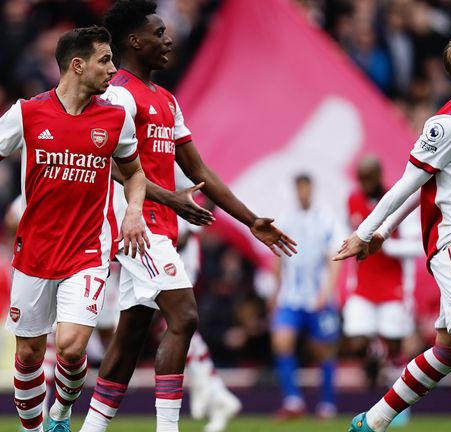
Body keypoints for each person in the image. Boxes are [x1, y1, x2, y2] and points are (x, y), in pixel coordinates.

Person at [79, 2, 296, 432]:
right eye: (159, 33)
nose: (169, 39)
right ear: (134, 41)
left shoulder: (166, 99)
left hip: (161, 225)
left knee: (130, 336)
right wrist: (171, 200)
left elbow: (199, 171)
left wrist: (250, 219)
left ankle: (91, 428)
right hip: (134, 225)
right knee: (184, 315)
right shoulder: (118, 95)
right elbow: (112, 168)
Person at [0, 26, 150, 432]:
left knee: (71, 345)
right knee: (28, 354)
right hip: (34, 252)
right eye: (105, 60)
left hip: (87, 251)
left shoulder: (117, 118)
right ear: (77, 66)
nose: (113, 70)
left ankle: (60, 413)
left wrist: (133, 211)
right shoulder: (28, 112)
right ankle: (33, 429)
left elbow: (134, 174)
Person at [334, 18, 451, 432]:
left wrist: (386, 231)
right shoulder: (449, 123)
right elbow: (404, 183)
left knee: (449, 351)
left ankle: (372, 422)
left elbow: (427, 188)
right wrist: (364, 233)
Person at [270, 174, 342, 419]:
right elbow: (278, 258)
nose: (302, 193)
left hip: (318, 297)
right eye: (299, 189)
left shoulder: (326, 219)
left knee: (324, 348)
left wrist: (327, 292)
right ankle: (293, 400)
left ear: (312, 189)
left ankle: (327, 404)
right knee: (281, 341)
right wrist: (274, 291)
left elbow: (334, 259)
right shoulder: (286, 219)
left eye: (305, 189)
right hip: (291, 297)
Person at [343, 155, 412, 387]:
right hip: (364, 283)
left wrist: (388, 245)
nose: (364, 184)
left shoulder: (397, 199)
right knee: (356, 341)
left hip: (391, 282)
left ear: (378, 176)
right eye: (361, 179)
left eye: (368, 178)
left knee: (394, 342)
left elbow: (417, 243)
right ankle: (374, 360)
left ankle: (388, 375)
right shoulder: (353, 200)